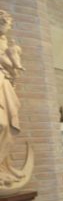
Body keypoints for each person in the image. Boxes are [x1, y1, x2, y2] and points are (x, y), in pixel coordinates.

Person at [0, 10, 25, 187]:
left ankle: (3, 166)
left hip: (4, 82)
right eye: (6, 24)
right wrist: (13, 64)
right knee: (1, 124)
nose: (8, 28)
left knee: (7, 126)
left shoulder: (4, 41)